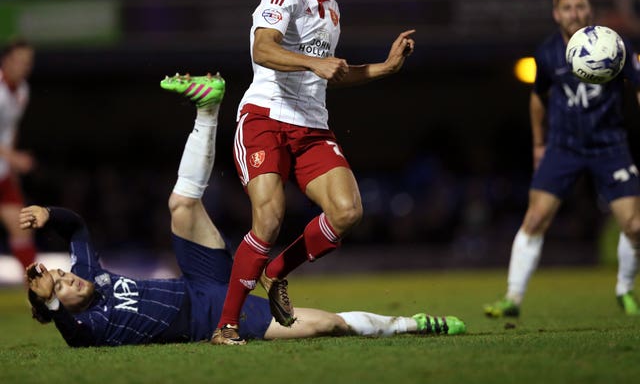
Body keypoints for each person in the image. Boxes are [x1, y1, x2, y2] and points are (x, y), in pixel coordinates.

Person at [24, 74, 466, 347]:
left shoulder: (92, 278)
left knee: (180, 205)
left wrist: (49, 211)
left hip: (199, 277)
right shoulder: (91, 327)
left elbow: (77, 227)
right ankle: (412, 324)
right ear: (60, 306)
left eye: (62, 274)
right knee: (323, 325)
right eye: (62, 285)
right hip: (207, 317)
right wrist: (56, 308)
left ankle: (208, 108)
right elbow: (75, 339)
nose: (69, 277)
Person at [213, 0, 416, 345]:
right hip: (265, 119)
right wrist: (313, 62)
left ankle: (277, 271)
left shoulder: (333, 6)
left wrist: (386, 67)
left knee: (347, 212)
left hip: (312, 127)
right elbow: (263, 49)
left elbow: (334, 72)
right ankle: (226, 325)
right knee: (268, 219)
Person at [484, 0, 640, 318]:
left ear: (590, 10)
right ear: (557, 14)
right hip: (563, 146)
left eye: (581, 7)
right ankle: (512, 297)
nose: (575, 14)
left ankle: (625, 290)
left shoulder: (616, 45)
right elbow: (539, 99)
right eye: (568, 8)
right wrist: (539, 143)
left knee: (635, 226)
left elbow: (638, 82)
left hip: (610, 145)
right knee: (535, 217)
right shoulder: (547, 53)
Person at [0, 38, 37, 270]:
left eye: (28, 63)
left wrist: (11, 166)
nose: (24, 67)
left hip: (2, 173)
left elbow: (11, 130)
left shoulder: (23, 91)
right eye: (19, 61)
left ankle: (38, 298)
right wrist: (13, 158)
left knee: (22, 228)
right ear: (5, 61)